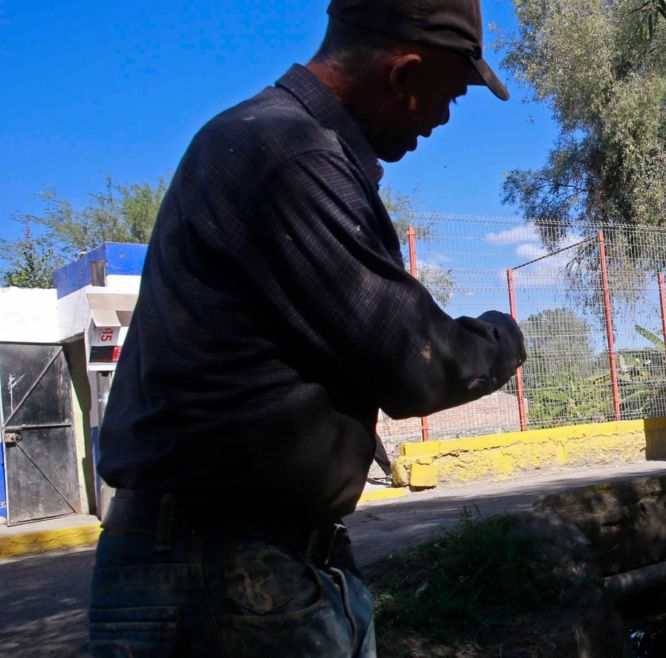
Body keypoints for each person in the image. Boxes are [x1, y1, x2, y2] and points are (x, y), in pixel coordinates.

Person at [86, 1, 523, 655]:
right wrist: (503, 337)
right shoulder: (291, 157)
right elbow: (417, 360)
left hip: (232, 562)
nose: (442, 120)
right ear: (405, 73)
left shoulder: (262, 141)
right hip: (227, 577)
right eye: (449, 95)